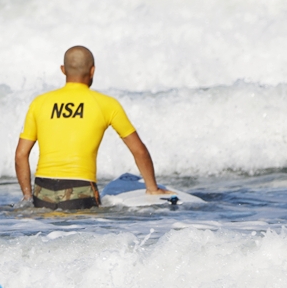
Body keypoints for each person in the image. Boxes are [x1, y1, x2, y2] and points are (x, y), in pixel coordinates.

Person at [15, 45, 171, 210]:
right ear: (92, 70)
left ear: (63, 70)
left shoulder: (39, 103)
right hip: (80, 190)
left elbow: (20, 155)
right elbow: (138, 150)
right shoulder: (107, 104)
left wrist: (28, 196)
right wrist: (152, 188)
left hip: (42, 191)